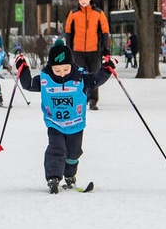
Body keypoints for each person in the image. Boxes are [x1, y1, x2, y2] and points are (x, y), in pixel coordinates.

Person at [14, 39, 112, 193]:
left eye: (65, 69)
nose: (61, 73)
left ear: (71, 65)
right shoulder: (46, 79)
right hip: (55, 124)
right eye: (57, 70)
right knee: (56, 149)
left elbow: (95, 80)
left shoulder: (80, 78)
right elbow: (28, 85)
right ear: (50, 67)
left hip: (76, 124)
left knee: (73, 154)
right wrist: (23, 69)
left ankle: (70, 175)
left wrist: (106, 70)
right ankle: (53, 177)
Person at [64, 0, 110, 109]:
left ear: (89, 0)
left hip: (93, 49)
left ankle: (93, 99)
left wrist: (105, 47)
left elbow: (105, 31)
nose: (83, 1)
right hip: (77, 50)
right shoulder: (73, 13)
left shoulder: (98, 13)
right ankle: (80, 97)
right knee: (78, 75)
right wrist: (68, 48)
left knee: (94, 74)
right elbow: (68, 32)